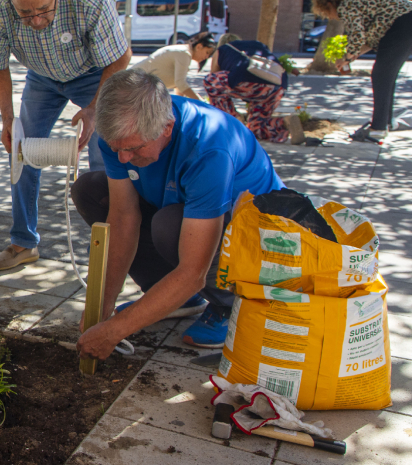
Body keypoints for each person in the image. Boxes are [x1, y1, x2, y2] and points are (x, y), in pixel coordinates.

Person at [72, 69, 284, 354]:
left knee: (169, 225)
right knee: (90, 190)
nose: (123, 158)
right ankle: (177, 298)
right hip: (184, 212)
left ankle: (229, 304)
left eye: (133, 149)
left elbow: (193, 270)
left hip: (261, 241)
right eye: (115, 148)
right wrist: (102, 305)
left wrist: (114, 332)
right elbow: (123, 218)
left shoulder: (209, 148)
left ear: (167, 128)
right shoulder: (122, 135)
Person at [0, 0, 131, 271]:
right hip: (42, 77)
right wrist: (7, 119)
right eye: (25, 13)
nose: (37, 19)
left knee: (105, 159)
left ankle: (114, 249)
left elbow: (120, 58)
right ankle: (23, 244)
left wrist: (94, 108)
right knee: (22, 151)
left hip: (95, 74)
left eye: (43, 9)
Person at [311, 0, 412, 143]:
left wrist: (347, 58)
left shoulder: (348, 5)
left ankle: (378, 128)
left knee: (381, 74)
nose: (332, 17)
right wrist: (349, 58)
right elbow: (367, 41)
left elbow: (357, 35)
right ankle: (385, 122)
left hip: (405, 23)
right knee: (386, 74)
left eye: (327, 13)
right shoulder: (360, 3)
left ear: (330, 4)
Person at [203, 33, 290, 142]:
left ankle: (230, 122)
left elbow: (216, 82)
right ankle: (283, 123)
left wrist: (231, 109)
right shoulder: (257, 45)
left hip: (248, 80)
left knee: (210, 80)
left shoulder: (222, 49)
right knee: (255, 129)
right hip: (277, 85)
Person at [132, 31, 217, 102]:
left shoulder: (184, 53)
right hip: (135, 85)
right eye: (207, 52)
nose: (207, 57)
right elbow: (180, 83)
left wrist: (183, 101)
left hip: (141, 88)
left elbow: (179, 86)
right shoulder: (184, 54)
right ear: (199, 46)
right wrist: (200, 102)